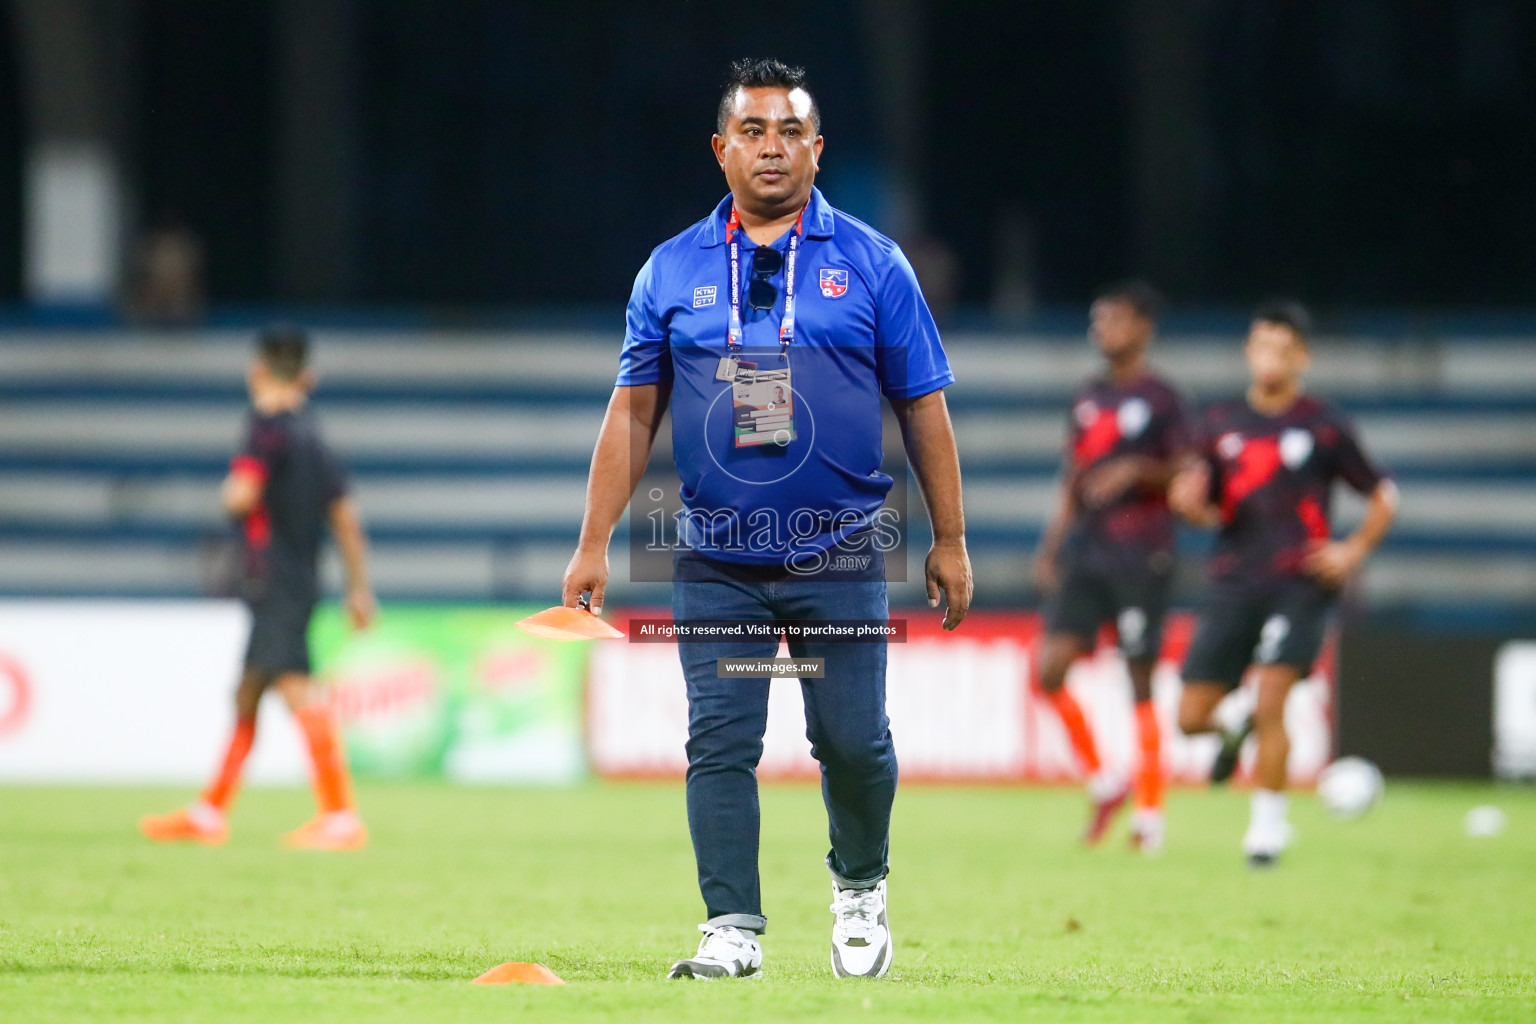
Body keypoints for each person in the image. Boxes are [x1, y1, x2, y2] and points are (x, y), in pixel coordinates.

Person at [561, 58, 971, 980]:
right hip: (715, 556)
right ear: (721, 149)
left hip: (842, 553)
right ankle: (731, 928)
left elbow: (925, 407)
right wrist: (593, 544)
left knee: (854, 739)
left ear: (819, 148)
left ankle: (860, 890)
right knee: (720, 738)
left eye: (791, 132)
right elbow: (632, 413)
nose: (773, 148)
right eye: (754, 131)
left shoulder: (874, 262)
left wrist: (949, 538)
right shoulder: (670, 270)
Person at [1169, 301, 1397, 867]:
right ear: (1248, 351)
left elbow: (1383, 495)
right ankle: (1232, 728)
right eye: (1260, 345)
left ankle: (1266, 832)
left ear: (1302, 357)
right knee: (1191, 717)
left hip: (1301, 582)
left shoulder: (1323, 424)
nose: (1268, 357)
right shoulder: (1219, 422)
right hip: (1233, 580)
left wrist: (1353, 550)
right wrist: (1187, 506)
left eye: (1281, 347)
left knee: (1272, 698)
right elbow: (1208, 508)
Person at [140, 326, 376, 851]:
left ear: (256, 372)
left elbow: (241, 495)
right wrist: (359, 590)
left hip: (273, 581)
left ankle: (340, 817)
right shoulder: (316, 440)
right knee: (247, 693)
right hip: (301, 580)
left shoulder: (263, 429)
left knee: (295, 690)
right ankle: (209, 812)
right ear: (308, 378)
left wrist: (229, 495)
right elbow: (346, 520)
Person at [1033, 281, 1190, 852]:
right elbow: (1074, 474)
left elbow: (1187, 469)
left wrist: (1134, 471)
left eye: (1116, 321)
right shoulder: (1088, 395)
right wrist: (1053, 543)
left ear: (1144, 328)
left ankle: (1150, 816)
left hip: (1142, 554)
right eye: (1099, 321)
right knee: (1050, 672)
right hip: (1089, 552)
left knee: (1140, 678)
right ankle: (1105, 781)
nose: (1104, 331)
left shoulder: (1163, 398)